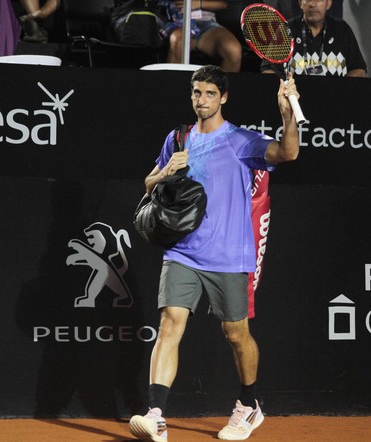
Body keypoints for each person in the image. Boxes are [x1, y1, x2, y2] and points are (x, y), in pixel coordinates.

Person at [128, 65, 300, 441]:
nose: (201, 100)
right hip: (183, 253)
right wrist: (164, 172)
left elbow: (288, 152)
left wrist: (288, 115)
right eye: (196, 93)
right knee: (170, 324)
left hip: (228, 255)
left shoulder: (241, 141)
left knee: (236, 334)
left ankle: (248, 405)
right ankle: (156, 414)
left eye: (209, 94)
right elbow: (148, 181)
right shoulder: (178, 138)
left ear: (223, 98)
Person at [262, 0, 366, 77]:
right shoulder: (286, 30)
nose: (313, 4)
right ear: (300, 3)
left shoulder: (342, 30)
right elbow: (268, 69)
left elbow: (359, 69)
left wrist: (342, 91)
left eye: (319, 0)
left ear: (328, 3)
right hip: (294, 102)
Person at [159, 0, 241, 72]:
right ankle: (173, 87)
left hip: (208, 24)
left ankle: (219, 88)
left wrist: (199, 3)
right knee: (179, 41)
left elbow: (223, 4)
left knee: (233, 50)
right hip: (179, 22)